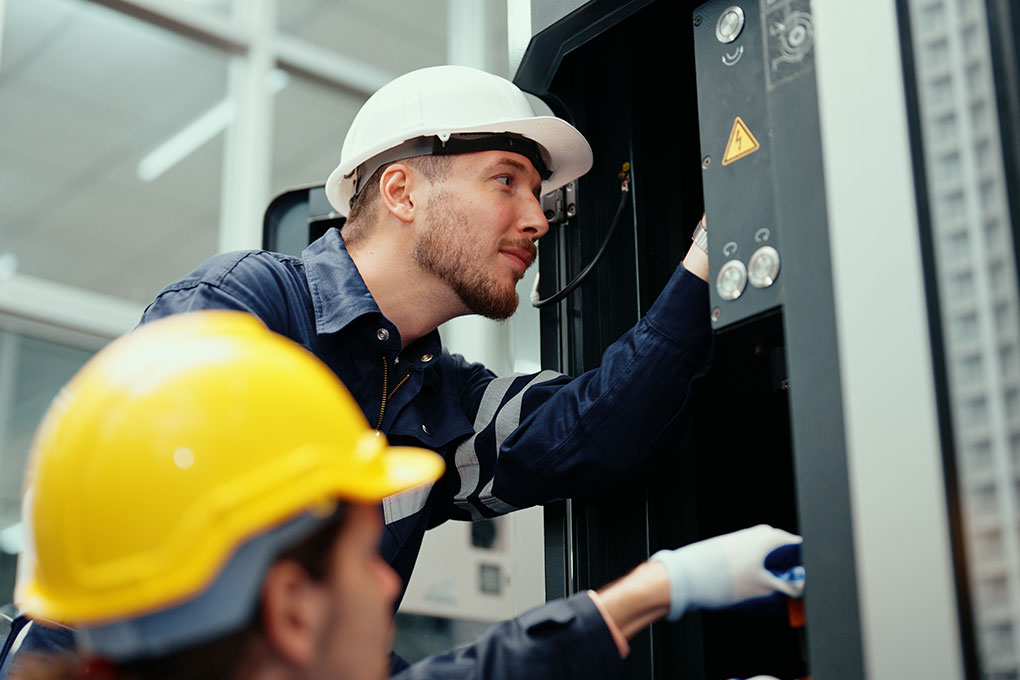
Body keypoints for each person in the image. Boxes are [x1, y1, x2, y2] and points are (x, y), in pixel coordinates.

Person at [137, 65, 714, 643]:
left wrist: (708, 262)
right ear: (402, 192)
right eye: (506, 181)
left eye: (537, 195)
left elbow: (597, 427)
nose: (538, 220)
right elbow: (189, 590)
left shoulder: (438, 399)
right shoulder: (242, 309)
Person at [6, 312, 802, 680]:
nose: (390, 580)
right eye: (363, 557)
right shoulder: (248, 299)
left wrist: (665, 587)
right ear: (288, 607)